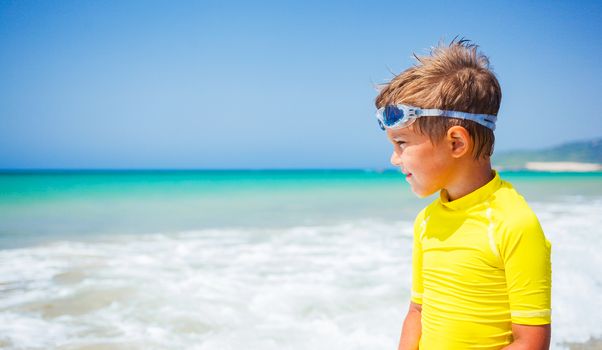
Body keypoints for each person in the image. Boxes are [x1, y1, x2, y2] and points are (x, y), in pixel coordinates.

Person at [374, 39, 552, 350]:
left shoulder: (513, 224)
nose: (394, 158)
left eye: (401, 143)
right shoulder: (427, 221)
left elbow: (531, 343)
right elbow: (417, 311)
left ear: (456, 143)